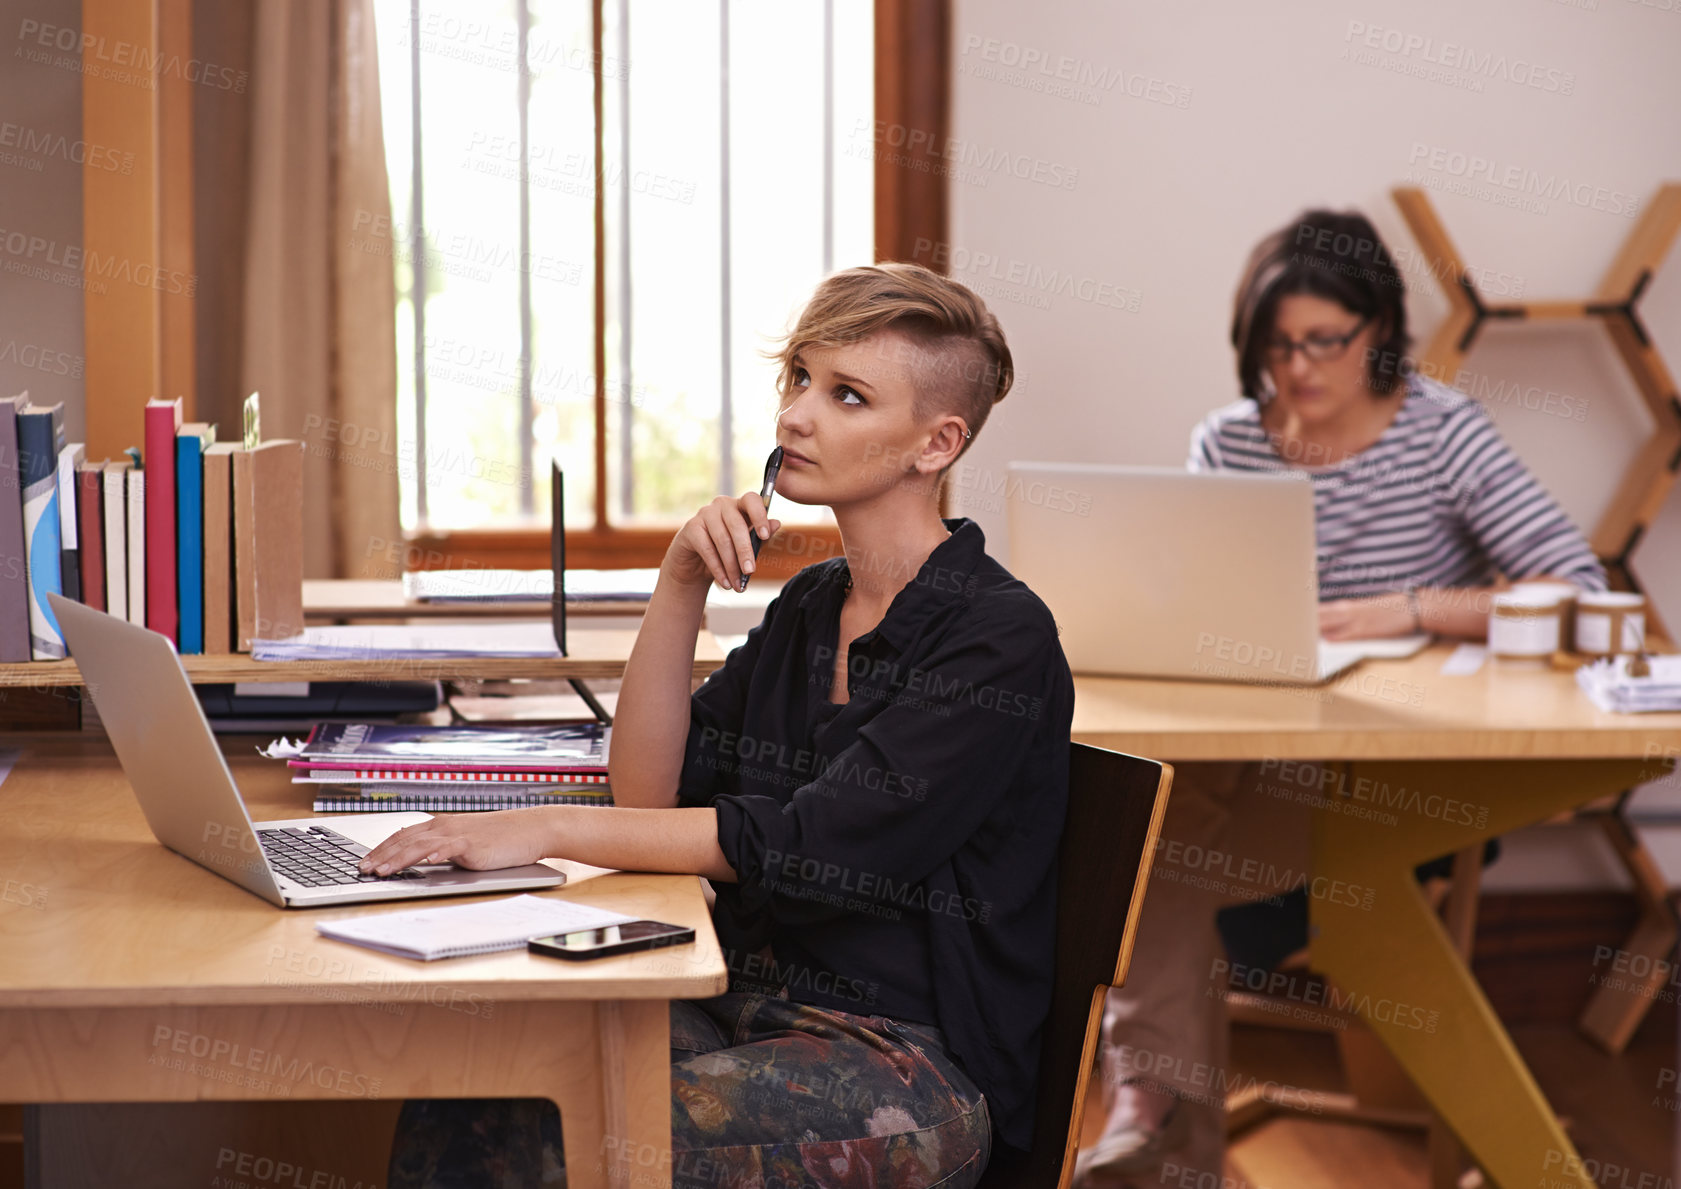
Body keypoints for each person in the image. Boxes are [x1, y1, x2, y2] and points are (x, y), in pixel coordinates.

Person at [364, 262, 1076, 1189]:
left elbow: (811, 841)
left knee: (529, 1146)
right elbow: (649, 787)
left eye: (846, 395)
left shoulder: (997, 637)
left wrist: (540, 825)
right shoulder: (814, 605)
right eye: (798, 379)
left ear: (935, 444)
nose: (795, 416)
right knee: (471, 1093)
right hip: (740, 999)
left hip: (904, 1061)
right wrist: (678, 584)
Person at [1074, 209, 1606, 1187]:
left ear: (1380, 333)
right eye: (1277, 344)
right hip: (1243, 751)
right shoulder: (1229, 441)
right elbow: (1195, 603)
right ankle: (1159, 1123)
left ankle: (1148, 1110)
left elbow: (1574, 589)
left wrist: (1402, 608)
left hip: (1391, 773)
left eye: (1325, 340)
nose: (1298, 367)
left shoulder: (1441, 432)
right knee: (1148, 812)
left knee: (1148, 851)